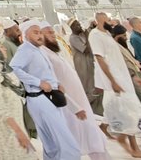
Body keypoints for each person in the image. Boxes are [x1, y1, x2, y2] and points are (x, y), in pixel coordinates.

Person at [10, 20, 81, 160]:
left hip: (46, 98)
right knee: (66, 140)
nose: (40, 36)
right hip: (40, 98)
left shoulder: (37, 50)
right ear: (26, 35)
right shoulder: (25, 50)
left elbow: (44, 72)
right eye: (35, 33)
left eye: (40, 32)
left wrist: (56, 83)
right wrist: (39, 83)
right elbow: (15, 68)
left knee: (51, 143)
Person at [89, 13, 141, 159]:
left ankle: (125, 140)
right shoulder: (95, 35)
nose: (110, 21)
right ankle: (133, 147)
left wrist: (131, 77)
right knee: (129, 112)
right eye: (106, 18)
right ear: (99, 20)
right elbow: (99, 59)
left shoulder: (106, 35)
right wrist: (112, 81)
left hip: (122, 78)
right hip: (114, 81)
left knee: (132, 112)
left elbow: (117, 59)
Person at [39, 24, 108, 160]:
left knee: (93, 140)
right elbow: (52, 86)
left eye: (53, 32)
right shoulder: (42, 54)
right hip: (68, 108)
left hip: (79, 103)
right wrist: (74, 107)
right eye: (48, 33)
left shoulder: (53, 51)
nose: (53, 34)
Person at [67, 20, 104, 118]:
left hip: (90, 64)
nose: (79, 26)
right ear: (72, 28)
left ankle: (97, 109)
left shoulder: (82, 34)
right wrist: (88, 35)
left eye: (79, 24)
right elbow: (86, 49)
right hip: (82, 66)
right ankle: (89, 110)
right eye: (76, 25)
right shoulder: (73, 38)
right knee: (87, 87)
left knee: (94, 85)